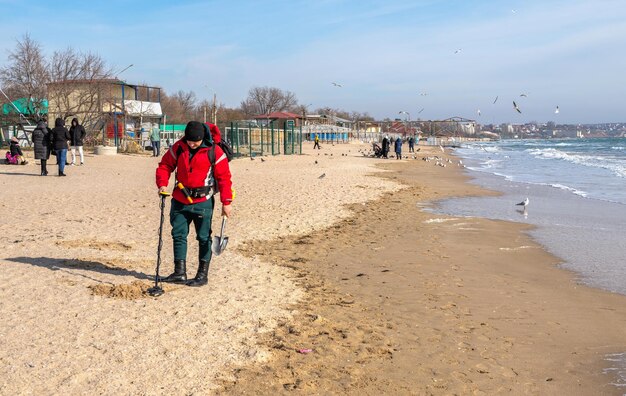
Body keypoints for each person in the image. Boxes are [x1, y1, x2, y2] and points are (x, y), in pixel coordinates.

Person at [155, 121, 233, 287]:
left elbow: (224, 178)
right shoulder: (179, 147)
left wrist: (226, 202)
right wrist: (162, 183)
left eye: (195, 142)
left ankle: (202, 275)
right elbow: (165, 165)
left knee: (204, 237)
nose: (192, 144)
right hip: (180, 200)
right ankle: (179, 273)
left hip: (203, 202)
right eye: (189, 141)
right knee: (178, 234)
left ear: (202, 138)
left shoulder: (215, 151)